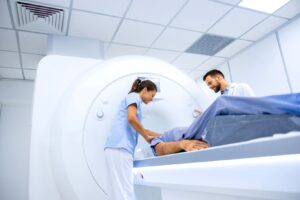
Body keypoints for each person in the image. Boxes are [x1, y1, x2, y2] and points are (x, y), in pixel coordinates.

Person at [151, 93, 300, 156]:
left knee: (262, 123)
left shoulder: (170, 130)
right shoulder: (159, 140)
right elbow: (160, 150)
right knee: (221, 103)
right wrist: (182, 144)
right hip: (194, 135)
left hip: (204, 130)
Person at [104, 79, 160, 200]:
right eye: (152, 95)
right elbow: (131, 118)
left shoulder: (134, 101)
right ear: (145, 90)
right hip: (120, 148)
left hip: (116, 147)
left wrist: (162, 135)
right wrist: (146, 137)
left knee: (117, 190)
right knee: (125, 190)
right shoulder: (133, 96)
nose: (152, 99)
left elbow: (141, 128)